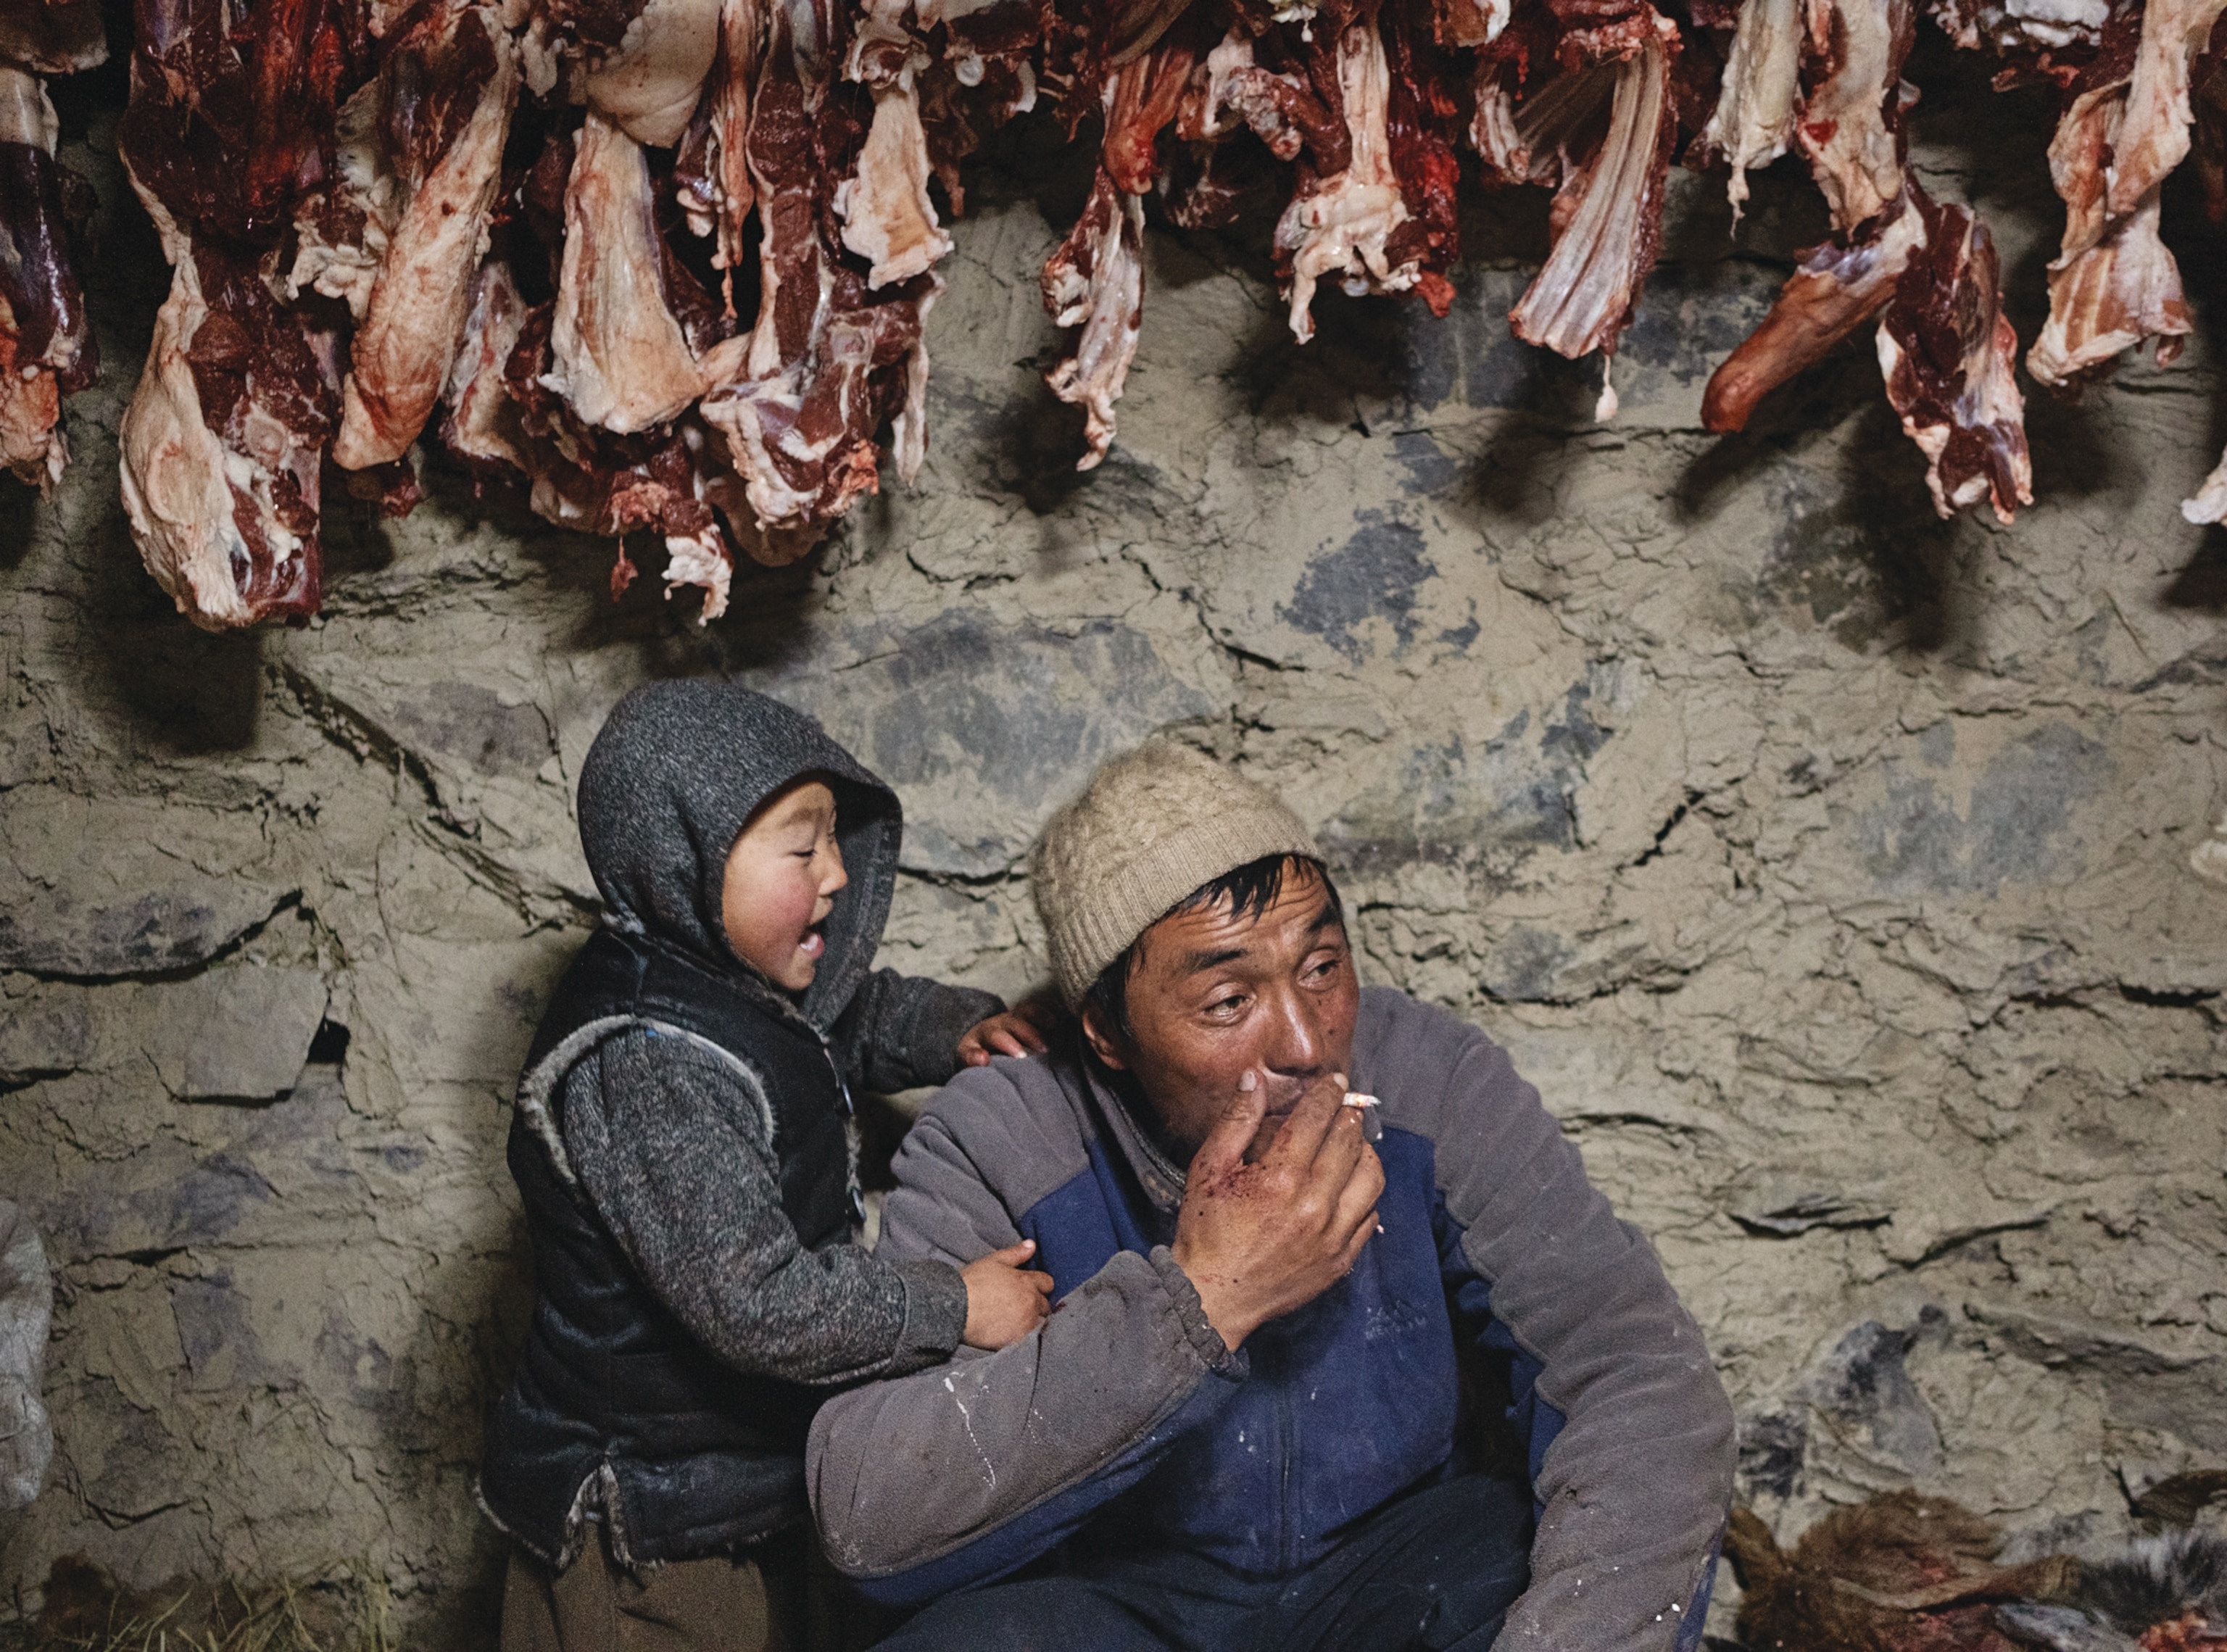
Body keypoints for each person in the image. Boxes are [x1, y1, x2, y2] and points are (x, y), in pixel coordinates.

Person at [806, 741, 1737, 1652]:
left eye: (1321, 966)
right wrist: (1203, 1300)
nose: (1305, 1041)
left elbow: (1631, 1369)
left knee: (1541, 1554)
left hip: (1397, 1570)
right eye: (1228, 1000)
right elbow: (866, 1515)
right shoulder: (1002, 1136)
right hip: (1119, 1599)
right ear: (1108, 1035)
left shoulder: (1432, 1078)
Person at [480, 678, 1058, 1652]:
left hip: (730, 1488)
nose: (835, 872)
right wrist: (956, 1304)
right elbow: (758, 1301)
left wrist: (952, 1028)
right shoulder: (650, 1063)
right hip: (651, 1539)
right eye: (802, 847)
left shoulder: (723, 976)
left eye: (835, 837)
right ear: (687, 859)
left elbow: (837, 1022)